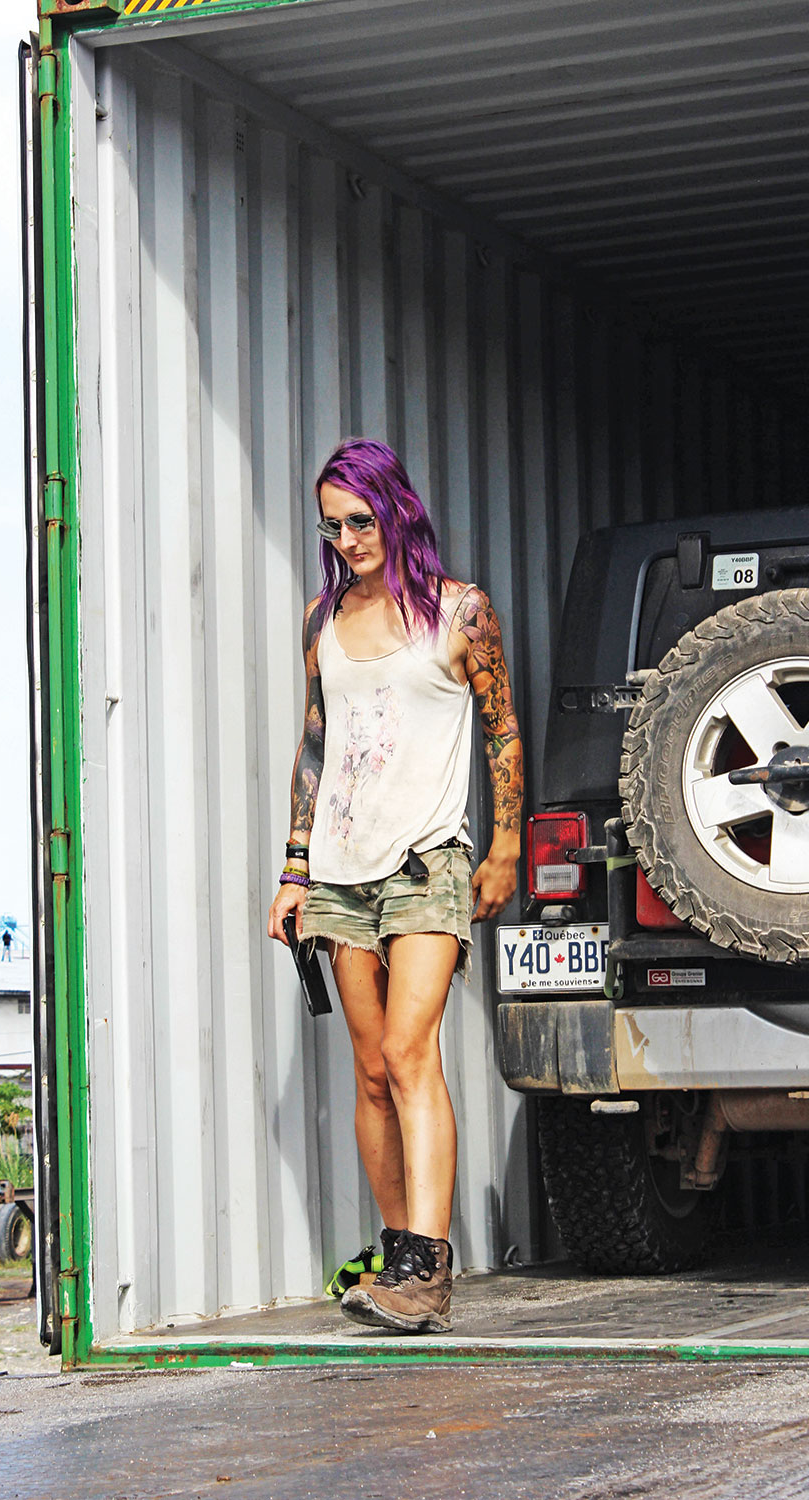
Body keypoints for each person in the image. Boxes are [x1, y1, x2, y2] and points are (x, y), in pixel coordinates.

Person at [267, 437, 523, 1333]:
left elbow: (502, 733)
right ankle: (392, 1258)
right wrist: (294, 869)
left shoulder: (459, 613)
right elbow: (313, 747)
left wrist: (505, 848)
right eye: (332, 526)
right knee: (371, 1073)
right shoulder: (322, 620)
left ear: (397, 510)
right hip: (340, 872)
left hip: (430, 860)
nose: (346, 538)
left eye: (360, 520)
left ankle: (427, 1272)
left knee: (414, 1053)